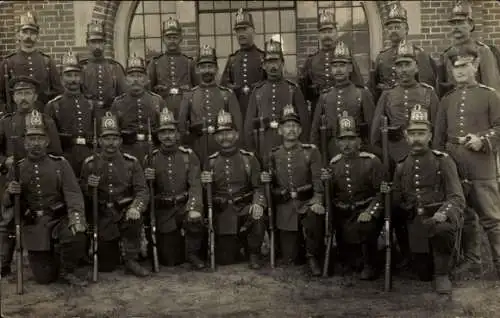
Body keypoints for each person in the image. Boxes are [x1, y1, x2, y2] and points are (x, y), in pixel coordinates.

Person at [433, 47, 500, 280]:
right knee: (467, 214)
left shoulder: (489, 95)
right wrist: (442, 164)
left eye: (464, 66)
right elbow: (438, 138)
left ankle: (499, 261)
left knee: (491, 216)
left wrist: (483, 140)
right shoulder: (447, 99)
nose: (459, 71)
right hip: (454, 163)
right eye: (455, 67)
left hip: (481, 162)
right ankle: (473, 262)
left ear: (475, 66)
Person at [2, 109, 88, 286]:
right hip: (34, 224)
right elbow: (5, 202)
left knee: (77, 233)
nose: (36, 143)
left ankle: (67, 270)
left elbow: (73, 194)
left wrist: (76, 218)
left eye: (39, 139)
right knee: (44, 279)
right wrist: (11, 191)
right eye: (31, 139)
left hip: (58, 219)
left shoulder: (60, 164)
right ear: (25, 143)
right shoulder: (17, 168)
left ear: (47, 141)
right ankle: (52, 258)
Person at [392, 105, 465, 295]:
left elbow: (456, 196)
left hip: (439, 217)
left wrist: (444, 213)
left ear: (430, 136)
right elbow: (397, 198)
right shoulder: (401, 165)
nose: (417, 138)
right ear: (406, 137)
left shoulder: (443, 160)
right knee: (422, 274)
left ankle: (443, 275)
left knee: (441, 231)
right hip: (416, 221)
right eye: (413, 134)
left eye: (421, 133)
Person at [0, 76, 62, 276]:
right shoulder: (6, 122)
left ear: (35, 96)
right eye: (19, 93)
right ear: (13, 97)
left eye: (27, 93)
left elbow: (56, 152)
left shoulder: (46, 121)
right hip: (15, 177)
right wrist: (4, 161)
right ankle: (4, 262)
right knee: (8, 219)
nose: (23, 98)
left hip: (40, 176)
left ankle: (48, 255)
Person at [80, 112, 150, 277]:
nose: (110, 143)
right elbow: (82, 193)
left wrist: (136, 208)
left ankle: (131, 258)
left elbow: (142, 190)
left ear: (120, 140)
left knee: (134, 218)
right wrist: (90, 187)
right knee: (107, 266)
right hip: (103, 214)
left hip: (125, 211)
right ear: (100, 141)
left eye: (114, 139)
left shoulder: (131, 163)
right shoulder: (90, 164)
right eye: (106, 139)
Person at [320, 112, 385, 280]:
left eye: (351, 139)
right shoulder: (334, 164)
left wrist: (370, 212)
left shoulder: (371, 161)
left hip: (365, 210)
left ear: (359, 141)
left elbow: (381, 194)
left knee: (366, 228)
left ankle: (370, 264)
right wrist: (325, 182)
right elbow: (331, 195)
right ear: (337, 142)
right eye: (342, 140)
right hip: (344, 214)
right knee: (350, 262)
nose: (346, 144)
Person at [261, 105, 324, 276]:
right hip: (285, 209)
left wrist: (317, 200)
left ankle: (313, 256)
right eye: (287, 126)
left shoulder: (310, 152)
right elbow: (272, 184)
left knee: (314, 218)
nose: (291, 130)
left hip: (306, 203)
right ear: (280, 130)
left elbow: (317, 180)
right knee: (291, 259)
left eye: (295, 126)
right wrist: (266, 179)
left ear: (300, 130)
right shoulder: (274, 155)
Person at [200, 109, 266, 269]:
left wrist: (258, 203)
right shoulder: (211, 162)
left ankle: (254, 253)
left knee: (257, 214)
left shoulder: (248, 159)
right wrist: (204, 183)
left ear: (236, 135)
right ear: (215, 137)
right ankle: (235, 246)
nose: (225, 137)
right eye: (220, 134)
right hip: (223, 212)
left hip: (244, 208)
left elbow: (258, 187)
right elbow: (206, 193)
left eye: (229, 133)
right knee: (226, 259)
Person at [143, 108, 205, 269]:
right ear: (158, 136)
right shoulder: (151, 158)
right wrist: (148, 178)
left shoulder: (188, 155)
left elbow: (195, 184)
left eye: (171, 131)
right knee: (170, 261)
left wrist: (193, 208)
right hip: (164, 211)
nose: (167, 136)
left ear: (177, 134)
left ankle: (193, 253)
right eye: (163, 132)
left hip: (184, 206)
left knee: (195, 220)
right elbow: (144, 190)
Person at [310, 41, 375, 160]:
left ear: (350, 68)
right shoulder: (325, 96)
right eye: (334, 66)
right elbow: (315, 131)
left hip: (357, 151)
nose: (338, 70)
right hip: (330, 150)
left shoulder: (361, 93)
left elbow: (371, 127)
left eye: (342, 65)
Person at [244, 39, 309, 156]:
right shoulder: (257, 91)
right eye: (269, 62)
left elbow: (304, 122)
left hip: (289, 145)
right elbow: (249, 125)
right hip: (264, 145)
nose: (273, 66)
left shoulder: (293, 89)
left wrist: (302, 149)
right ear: (264, 65)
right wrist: (252, 152)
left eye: (276, 61)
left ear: (282, 63)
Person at [178, 45, 242, 163]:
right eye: (203, 67)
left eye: (210, 66)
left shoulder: (227, 94)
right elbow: (182, 127)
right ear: (197, 69)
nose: (207, 70)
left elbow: (237, 127)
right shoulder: (189, 95)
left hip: (223, 147)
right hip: (197, 148)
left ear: (216, 69)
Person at [299, 10, 364, 116]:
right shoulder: (311, 61)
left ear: (336, 32)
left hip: (344, 107)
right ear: (319, 35)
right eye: (323, 32)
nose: (327, 35)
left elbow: (358, 85)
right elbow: (302, 91)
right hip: (318, 110)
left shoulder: (346, 57)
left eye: (330, 31)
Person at [369, 3, 438, 102]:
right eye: (390, 28)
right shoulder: (381, 57)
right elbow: (374, 87)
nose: (393, 31)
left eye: (397, 27)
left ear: (406, 29)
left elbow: (426, 86)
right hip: (388, 104)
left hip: (413, 102)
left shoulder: (418, 54)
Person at [0, 11, 63, 113]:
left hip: (43, 116)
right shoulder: (8, 62)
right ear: (18, 35)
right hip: (16, 118)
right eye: (24, 32)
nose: (28, 37)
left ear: (37, 36)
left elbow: (58, 93)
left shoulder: (47, 61)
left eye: (32, 33)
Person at [45, 50, 94, 177]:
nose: (73, 79)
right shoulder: (53, 105)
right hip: (64, 158)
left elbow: (98, 133)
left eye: (76, 75)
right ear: (61, 78)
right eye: (68, 75)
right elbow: (49, 140)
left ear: (81, 78)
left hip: (89, 157)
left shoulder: (90, 104)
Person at [438, 1, 500, 97]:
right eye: (453, 23)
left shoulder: (483, 51)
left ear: (471, 25)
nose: (456, 27)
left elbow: (492, 88)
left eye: (461, 22)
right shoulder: (447, 54)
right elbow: (442, 89)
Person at [111, 54, 164, 164]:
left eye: (139, 76)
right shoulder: (118, 103)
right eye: (132, 76)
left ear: (146, 79)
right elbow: (112, 133)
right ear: (126, 80)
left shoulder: (157, 101)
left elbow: (166, 128)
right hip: (127, 152)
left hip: (153, 151)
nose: (136, 80)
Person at [147, 17, 198, 118]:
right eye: (169, 37)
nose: (172, 41)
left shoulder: (189, 62)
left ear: (180, 38)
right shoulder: (155, 62)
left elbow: (198, 89)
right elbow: (149, 91)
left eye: (175, 37)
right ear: (163, 39)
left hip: (185, 108)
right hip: (163, 108)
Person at [220, 8, 266, 117]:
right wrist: (233, 88)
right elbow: (223, 87)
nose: (241, 34)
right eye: (238, 30)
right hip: (238, 110)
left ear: (253, 31)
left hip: (260, 110)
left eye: (244, 29)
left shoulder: (263, 57)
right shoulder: (232, 59)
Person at [80, 21, 127, 121]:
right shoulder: (81, 68)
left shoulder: (115, 67)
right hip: (88, 116)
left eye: (100, 42)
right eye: (93, 42)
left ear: (105, 43)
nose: (97, 46)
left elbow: (124, 96)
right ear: (87, 43)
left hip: (112, 116)